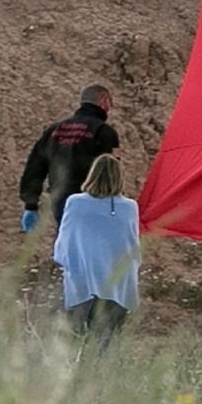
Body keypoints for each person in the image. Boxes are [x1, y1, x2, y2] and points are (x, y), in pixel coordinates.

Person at [52, 154, 140, 351]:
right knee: (104, 348)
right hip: (117, 288)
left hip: (81, 286)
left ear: (92, 174)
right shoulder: (129, 207)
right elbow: (132, 247)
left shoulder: (75, 203)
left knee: (75, 346)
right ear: (120, 177)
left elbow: (64, 244)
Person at [19, 84, 121, 233]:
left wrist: (30, 204)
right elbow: (112, 170)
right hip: (93, 201)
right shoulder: (103, 132)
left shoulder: (54, 130)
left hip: (60, 201)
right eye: (110, 102)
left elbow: (35, 167)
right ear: (103, 100)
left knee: (66, 241)